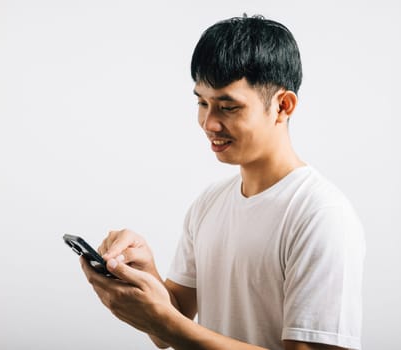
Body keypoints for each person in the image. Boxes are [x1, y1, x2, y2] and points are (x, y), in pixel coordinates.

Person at [80, 14, 365, 350]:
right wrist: (146, 272)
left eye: (228, 107)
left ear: (282, 106)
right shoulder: (209, 203)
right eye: (202, 102)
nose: (208, 123)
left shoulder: (320, 214)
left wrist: (165, 322)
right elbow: (167, 330)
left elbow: (171, 327)